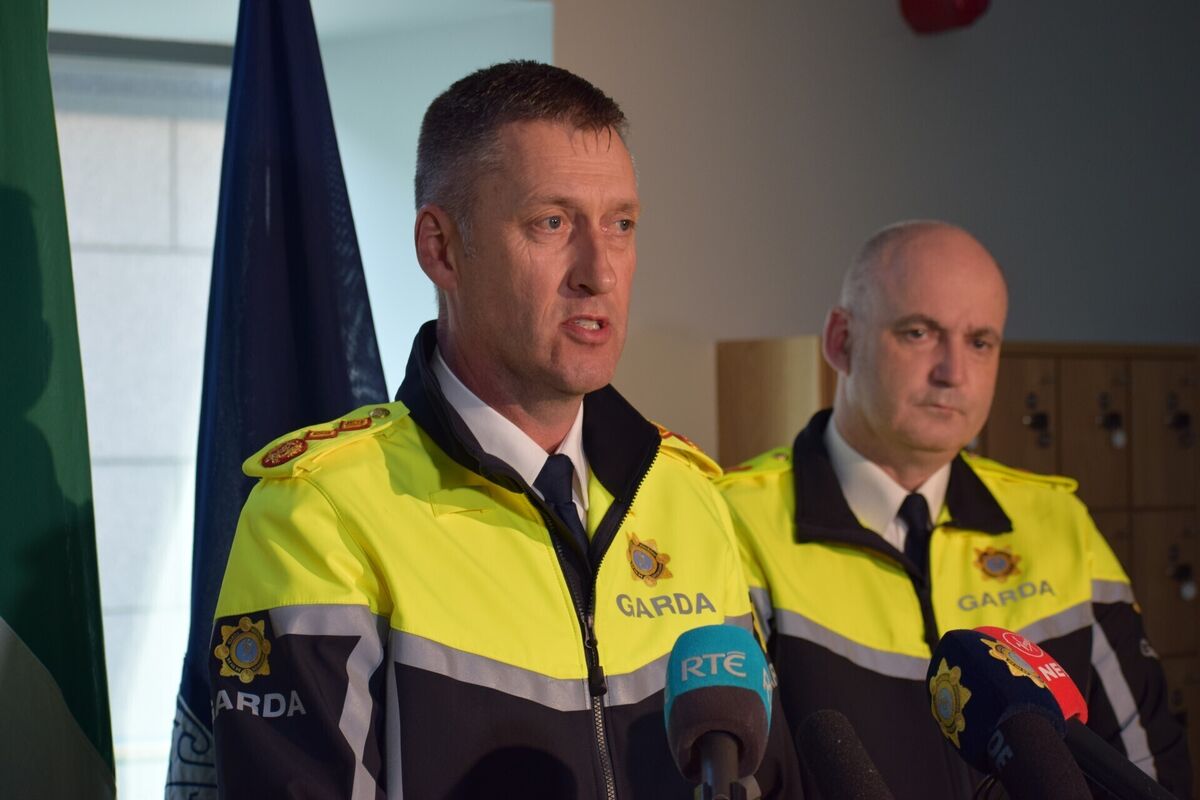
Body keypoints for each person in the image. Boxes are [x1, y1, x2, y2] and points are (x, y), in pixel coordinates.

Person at [207, 61, 801, 799]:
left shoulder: (690, 497)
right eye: (551, 223)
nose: (599, 272)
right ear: (442, 249)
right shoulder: (318, 513)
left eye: (621, 224)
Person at [718, 221, 1191, 799]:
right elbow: (739, 774)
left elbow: (1148, 767)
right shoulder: (735, 522)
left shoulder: (1056, 522)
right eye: (919, 333)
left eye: (980, 342)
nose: (954, 373)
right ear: (841, 340)